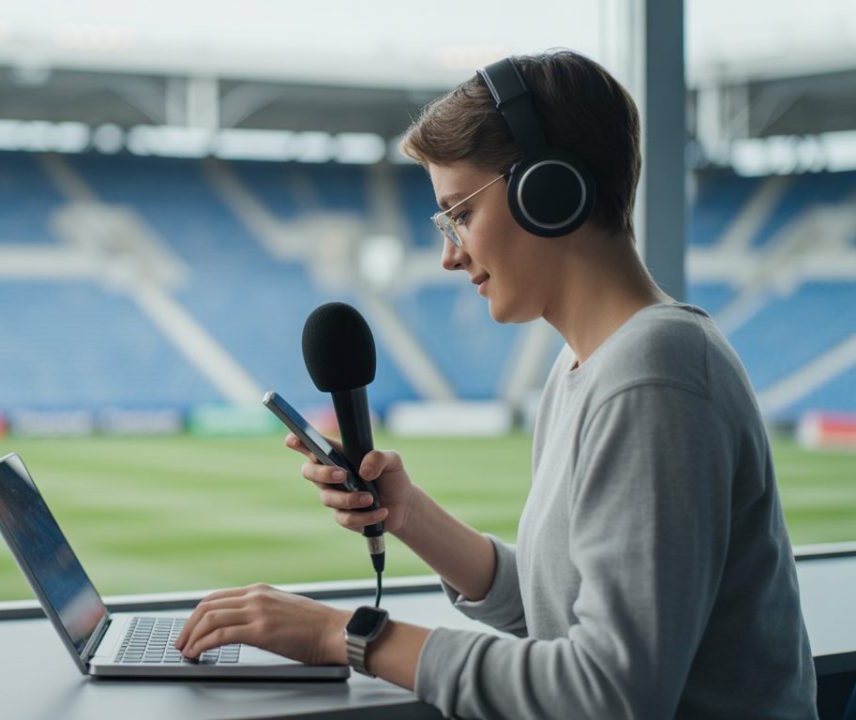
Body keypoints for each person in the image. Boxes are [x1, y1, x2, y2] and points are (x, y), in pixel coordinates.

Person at [174, 49, 817, 719]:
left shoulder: (653, 376)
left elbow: (608, 693)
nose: (449, 254)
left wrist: (342, 635)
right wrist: (409, 514)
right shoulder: (584, 367)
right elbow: (552, 611)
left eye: (459, 214)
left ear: (548, 191)